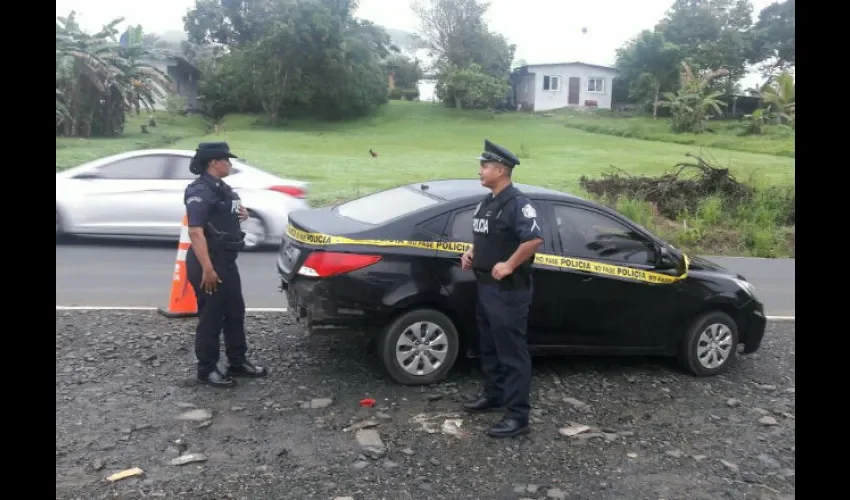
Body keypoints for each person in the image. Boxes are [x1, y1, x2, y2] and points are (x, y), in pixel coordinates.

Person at [460, 139, 544, 438]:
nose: (480, 171)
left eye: (484, 166)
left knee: (511, 353)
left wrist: (509, 264)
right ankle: (494, 395)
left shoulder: (518, 204)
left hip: (509, 291)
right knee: (490, 347)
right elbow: (486, 236)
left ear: (500, 169)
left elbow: (533, 240)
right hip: (485, 287)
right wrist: (472, 252)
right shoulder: (488, 202)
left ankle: (518, 416)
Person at [184, 142, 267, 388]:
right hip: (208, 261)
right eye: (226, 160)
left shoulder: (221, 188)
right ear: (213, 162)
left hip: (226, 260)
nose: (230, 164)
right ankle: (206, 369)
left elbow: (225, 213)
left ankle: (237, 361)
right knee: (211, 317)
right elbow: (196, 232)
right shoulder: (199, 191)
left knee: (234, 312)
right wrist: (208, 269)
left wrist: (242, 214)